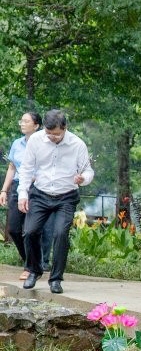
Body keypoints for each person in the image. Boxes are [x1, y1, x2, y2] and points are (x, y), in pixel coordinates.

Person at [17, 109, 94, 295]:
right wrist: (22, 194)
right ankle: (34, 271)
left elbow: (88, 171)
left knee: (60, 234)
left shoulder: (77, 144)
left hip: (66, 196)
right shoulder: (36, 140)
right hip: (40, 193)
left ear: (65, 128)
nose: (52, 137)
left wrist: (82, 179)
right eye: (49, 133)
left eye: (56, 134)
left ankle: (56, 279)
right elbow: (26, 169)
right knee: (29, 232)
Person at [1, 112, 56, 280]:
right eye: (21, 120)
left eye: (26, 121)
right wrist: (4, 190)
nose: (22, 124)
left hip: (38, 188)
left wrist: (34, 178)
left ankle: (31, 267)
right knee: (14, 229)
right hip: (18, 187)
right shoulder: (17, 143)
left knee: (32, 229)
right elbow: (12, 167)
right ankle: (32, 261)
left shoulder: (44, 143)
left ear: (37, 125)